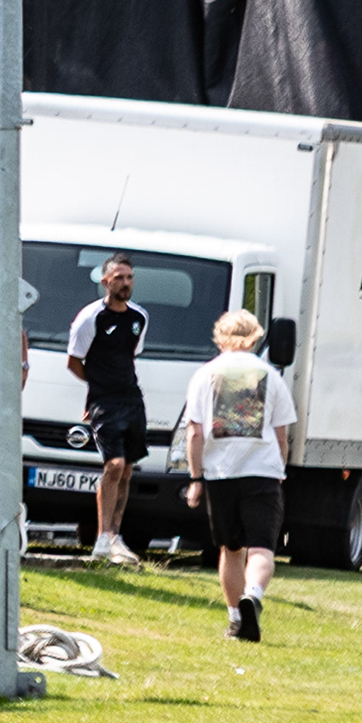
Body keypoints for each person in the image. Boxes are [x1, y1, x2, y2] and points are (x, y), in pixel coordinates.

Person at [177, 309, 298, 641]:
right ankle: (253, 596)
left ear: (219, 336)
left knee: (231, 550)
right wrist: (279, 469)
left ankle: (234, 619)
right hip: (262, 473)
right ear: (256, 337)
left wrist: (196, 478)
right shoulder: (270, 376)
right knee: (262, 548)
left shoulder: (205, 375)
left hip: (220, 474)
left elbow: (195, 434)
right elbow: (282, 434)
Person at [64, 254, 153, 565]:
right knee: (113, 465)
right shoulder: (90, 318)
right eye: (118, 278)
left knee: (127, 469)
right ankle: (101, 537)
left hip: (132, 399)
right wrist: (97, 387)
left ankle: (115, 536)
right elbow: (74, 361)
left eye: (129, 277)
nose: (125, 283)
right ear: (105, 282)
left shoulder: (139, 317)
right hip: (104, 402)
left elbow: (130, 355)